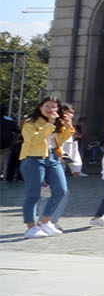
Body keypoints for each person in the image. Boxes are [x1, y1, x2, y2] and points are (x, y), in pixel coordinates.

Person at [19, 97, 74, 236]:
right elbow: (35, 140)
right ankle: (31, 227)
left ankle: (45, 222)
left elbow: (59, 142)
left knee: (61, 190)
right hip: (33, 158)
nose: (51, 110)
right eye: (47, 107)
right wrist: (50, 124)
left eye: (54, 107)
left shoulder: (55, 123)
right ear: (40, 107)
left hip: (52, 158)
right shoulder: (30, 122)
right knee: (33, 194)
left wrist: (68, 128)